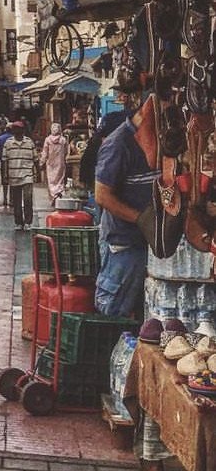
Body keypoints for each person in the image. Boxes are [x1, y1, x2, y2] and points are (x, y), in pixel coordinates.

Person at [93, 97, 157, 318]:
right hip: (125, 246)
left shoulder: (161, 139)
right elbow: (102, 196)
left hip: (153, 245)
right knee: (117, 314)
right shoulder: (118, 144)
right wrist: (141, 219)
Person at [1, 120, 38, 230]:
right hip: (13, 175)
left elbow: (35, 159)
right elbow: (4, 161)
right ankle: (18, 222)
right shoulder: (8, 143)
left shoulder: (29, 142)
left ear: (23, 130)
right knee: (16, 201)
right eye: (15, 129)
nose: (17, 131)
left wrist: (38, 174)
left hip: (27, 175)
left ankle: (28, 222)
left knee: (28, 199)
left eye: (19, 129)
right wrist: (5, 175)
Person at [40, 123, 69, 201]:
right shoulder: (63, 139)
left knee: (51, 180)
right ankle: (59, 192)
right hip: (60, 163)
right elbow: (66, 151)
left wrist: (42, 161)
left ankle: (53, 195)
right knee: (60, 179)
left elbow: (45, 152)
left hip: (50, 163)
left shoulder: (48, 139)